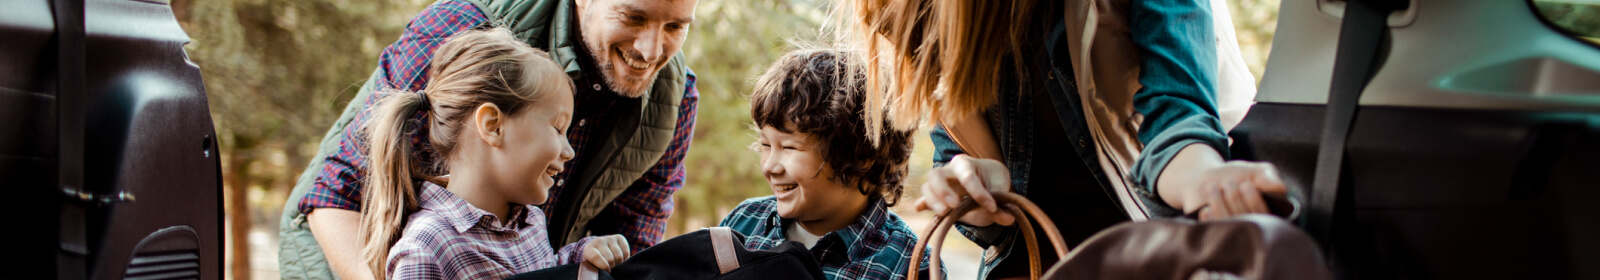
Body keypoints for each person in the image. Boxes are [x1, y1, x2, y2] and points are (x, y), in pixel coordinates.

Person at [835, 0, 1288, 278]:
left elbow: (1177, 123)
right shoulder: (934, 29)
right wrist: (972, 186)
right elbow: (981, 197)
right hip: (1036, 267)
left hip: (1152, 252)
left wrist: (1207, 180)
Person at [277, 0, 700, 279]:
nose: (650, 50)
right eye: (633, 17)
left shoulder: (675, 99)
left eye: (676, 26)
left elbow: (632, 240)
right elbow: (340, 193)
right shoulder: (464, 29)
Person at [359, 28, 630, 279]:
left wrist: (580, 257)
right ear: (493, 126)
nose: (569, 151)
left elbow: (545, 272)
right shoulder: (427, 247)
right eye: (558, 129)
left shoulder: (530, 221)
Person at [717, 49, 930, 280]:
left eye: (789, 148)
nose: (769, 166)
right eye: (766, 146)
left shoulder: (909, 265)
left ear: (861, 156)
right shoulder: (743, 223)